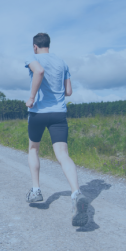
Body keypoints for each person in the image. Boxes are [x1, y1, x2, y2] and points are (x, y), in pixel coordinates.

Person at [24, 32, 89, 227]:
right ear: (48, 45)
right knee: (62, 154)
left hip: (38, 112)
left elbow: (39, 72)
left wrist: (32, 97)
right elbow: (68, 91)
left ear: (35, 46)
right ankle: (76, 193)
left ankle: (36, 190)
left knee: (33, 148)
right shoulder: (62, 63)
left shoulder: (32, 58)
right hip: (59, 113)